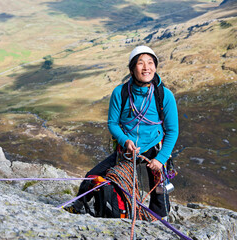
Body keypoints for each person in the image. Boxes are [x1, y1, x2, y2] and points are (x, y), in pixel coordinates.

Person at [65, 45, 179, 218]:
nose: (146, 67)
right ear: (132, 68)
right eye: (141, 63)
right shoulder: (120, 92)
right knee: (92, 176)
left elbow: (172, 131)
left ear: (155, 67)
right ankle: (79, 206)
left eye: (150, 63)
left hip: (154, 148)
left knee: (159, 195)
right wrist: (125, 141)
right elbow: (113, 123)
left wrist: (161, 159)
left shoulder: (164, 95)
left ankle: (157, 220)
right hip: (127, 149)